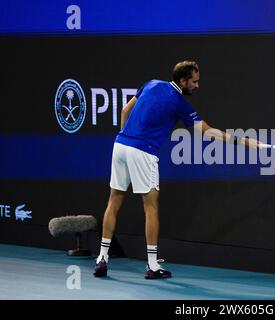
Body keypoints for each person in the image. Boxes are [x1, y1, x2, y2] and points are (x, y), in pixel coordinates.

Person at [93, 61, 260, 279]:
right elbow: (208, 132)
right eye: (194, 81)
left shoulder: (151, 83)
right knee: (151, 207)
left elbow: (125, 110)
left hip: (120, 145)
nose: (197, 86)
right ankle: (152, 265)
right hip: (143, 151)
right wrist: (244, 142)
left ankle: (102, 258)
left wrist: (126, 136)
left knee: (114, 201)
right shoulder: (179, 103)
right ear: (183, 81)